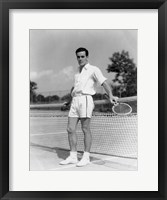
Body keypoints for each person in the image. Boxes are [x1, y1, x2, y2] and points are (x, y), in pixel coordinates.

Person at [60, 47, 118, 167]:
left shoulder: (93, 69)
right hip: (75, 101)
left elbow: (104, 82)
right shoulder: (77, 72)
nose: (80, 58)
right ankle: (73, 156)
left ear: (87, 57)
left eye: (82, 56)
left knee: (85, 129)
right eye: (78, 57)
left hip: (86, 99)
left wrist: (111, 95)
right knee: (70, 129)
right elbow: (75, 88)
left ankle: (86, 157)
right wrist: (70, 100)